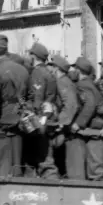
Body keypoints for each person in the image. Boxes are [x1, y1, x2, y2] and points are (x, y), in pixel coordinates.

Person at [0, 35, 29, 177]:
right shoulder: (22, 69)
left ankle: (4, 190)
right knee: (17, 160)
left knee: (3, 160)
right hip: (20, 117)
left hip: (3, 119)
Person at [24, 42, 59, 179]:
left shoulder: (37, 73)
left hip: (40, 120)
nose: (28, 56)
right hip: (48, 117)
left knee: (43, 159)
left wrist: (34, 117)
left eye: (30, 54)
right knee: (44, 156)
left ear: (34, 56)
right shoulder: (48, 72)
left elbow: (38, 97)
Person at [70, 57, 103, 180]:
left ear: (79, 70)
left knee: (96, 171)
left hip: (92, 130)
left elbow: (90, 104)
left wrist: (78, 123)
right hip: (96, 128)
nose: (73, 71)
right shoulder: (91, 84)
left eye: (74, 68)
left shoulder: (83, 85)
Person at [48, 55, 80, 178]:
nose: (50, 69)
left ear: (56, 68)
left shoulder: (62, 82)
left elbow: (71, 105)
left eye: (52, 66)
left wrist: (60, 123)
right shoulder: (65, 81)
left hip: (64, 126)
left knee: (59, 150)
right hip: (65, 124)